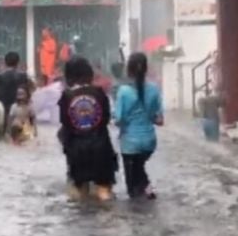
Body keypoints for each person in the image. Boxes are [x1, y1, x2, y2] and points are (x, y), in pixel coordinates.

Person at [58, 57, 117, 202]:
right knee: (103, 192)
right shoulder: (99, 93)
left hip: (77, 151)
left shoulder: (66, 96)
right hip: (101, 148)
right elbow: (106, 119)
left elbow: (65, 123)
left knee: (80, 196)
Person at [114, 52, 163, 200]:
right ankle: (146, 190)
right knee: (139, 167)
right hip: (149, 142)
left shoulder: (123, 92)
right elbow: (159, 120)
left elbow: (118, 119)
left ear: (129, 70)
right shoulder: (154, 90)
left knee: (132, 189)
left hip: (130, 143)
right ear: (145, 68)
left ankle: (147, 190)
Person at [0, 51, 32, 136]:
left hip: (4, 110)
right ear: (18, 62)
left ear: (5, 62)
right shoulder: (23, 76)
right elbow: (29, 92)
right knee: (22, 135)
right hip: (20, 110)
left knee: (5, 135)